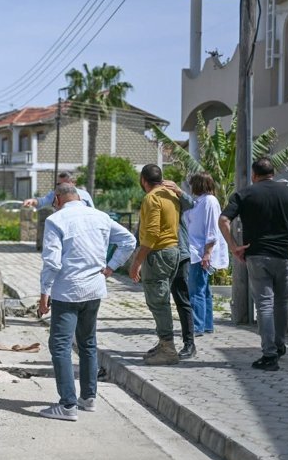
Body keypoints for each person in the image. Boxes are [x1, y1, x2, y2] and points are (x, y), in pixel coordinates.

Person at [38, 183, 136, 421]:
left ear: (58, 200)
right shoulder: (100, 217)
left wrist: (44, 295)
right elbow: (129, 241)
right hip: (94, 290)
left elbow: (52, 262)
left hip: (67, 291)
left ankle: (68, 405)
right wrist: (112, 266)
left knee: (60, 345)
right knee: (88, 343)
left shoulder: (56, 220)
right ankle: (88, 397)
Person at [219, 159, 288, 372]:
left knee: (264, 304)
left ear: (254, 174)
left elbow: (223, 220)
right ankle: (279, 345)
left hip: (258, 256)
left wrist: (234, 247)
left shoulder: (245, 194)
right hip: (285, 256)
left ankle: (269, 355)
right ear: (273, 173)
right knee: (281, 303)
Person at [129, 164, 182, 365]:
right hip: (172, 251)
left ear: (143, 180)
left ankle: (168, 348)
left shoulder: (151, 198)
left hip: (158, 253)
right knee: (161, 299)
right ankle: (163, 343)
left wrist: (137, 261)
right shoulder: (171, 195)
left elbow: (151, 234)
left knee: (158, 302)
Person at [185, 172, 228, 338]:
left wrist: (207, 253)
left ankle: (197, 326)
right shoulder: (199, 202)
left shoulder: (209, 201)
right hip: (197, 250)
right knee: (203, 290)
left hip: (200, 252)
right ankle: (207, 324)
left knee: (196, 290)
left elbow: (212, 229)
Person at [162, 180, 198, 359]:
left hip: (180, 255)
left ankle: (189, 343)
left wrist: (178, 190)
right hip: (160, 257)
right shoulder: (151, 201)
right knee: (160, 301)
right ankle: (165, 342)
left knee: (182, 299)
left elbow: (191, 203)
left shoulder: (176, 201)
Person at [22, 171, 94, 210]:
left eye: (65, 183)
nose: (61, 186)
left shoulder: (84, 195)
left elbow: (93, 211)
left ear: (73, 183)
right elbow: (43, 201)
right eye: (59, 184)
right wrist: (32, 201)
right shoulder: (54, 194)